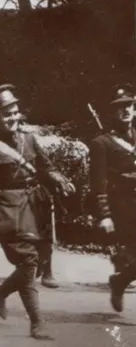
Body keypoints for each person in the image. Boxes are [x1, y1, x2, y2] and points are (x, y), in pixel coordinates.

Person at [0, 84, 75, 340]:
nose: (13, 118)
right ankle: (37, 323)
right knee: (28, 262)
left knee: (33, 266)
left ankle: (2, 291)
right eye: (6, 114)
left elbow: (45, 168)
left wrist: (58, 179)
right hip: (7, 212)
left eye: (15, 112)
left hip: (35, 208)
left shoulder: (30, 139)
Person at [88, 84, 136, 313]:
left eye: (129, 105)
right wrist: (104, 214)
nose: (125, 111)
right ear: (112, 112)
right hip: (123, 207)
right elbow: (98, 182)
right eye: (120, 107)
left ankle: (120, 280)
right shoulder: (102, 143)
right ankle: (121, 279)